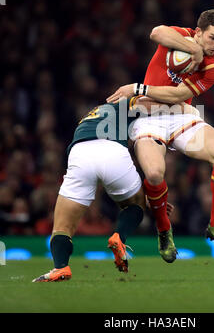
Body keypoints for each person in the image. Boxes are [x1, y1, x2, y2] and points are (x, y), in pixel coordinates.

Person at [107, 9, 214, 255]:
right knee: (154, 174)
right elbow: (156, 32)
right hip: (148, 120)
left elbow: (178, 96)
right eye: (212, 38)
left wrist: (137, 88)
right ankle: (164, 232)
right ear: (198, 32)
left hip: (180, 115)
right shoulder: (178, 35)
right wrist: (195, 50)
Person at [32, 96, 195, 282]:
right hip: (112, 150)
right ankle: (119, 237)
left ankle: (60, 268)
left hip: (80, 153)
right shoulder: (127, 104)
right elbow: (155, 105)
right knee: (135, 206)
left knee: (62, 227)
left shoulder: (92, 114)